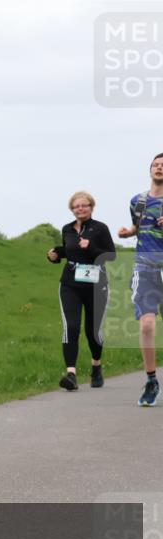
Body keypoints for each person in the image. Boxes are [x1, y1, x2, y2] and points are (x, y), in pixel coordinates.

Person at [47, 192, 115, 390]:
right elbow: (70, 251)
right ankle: (71, 375)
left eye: (84, 205)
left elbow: (110, 256)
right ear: (72, 209)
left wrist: (91, 247)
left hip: (96, 286)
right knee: (71, 327)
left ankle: (96, 366)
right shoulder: (67, 229)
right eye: (76, 206)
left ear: (91, 207)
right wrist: (55, 255)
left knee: (93, 331)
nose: (81, 209)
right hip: (70, 284)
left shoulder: (100, 228)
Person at [118, 152, 163, 407]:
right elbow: (138, 226)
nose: (159, 168)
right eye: (156, 165)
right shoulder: (138, 201)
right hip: (144, 268)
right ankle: (151, 380)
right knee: (146, 325)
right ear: (150, 170)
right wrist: (129, 232)